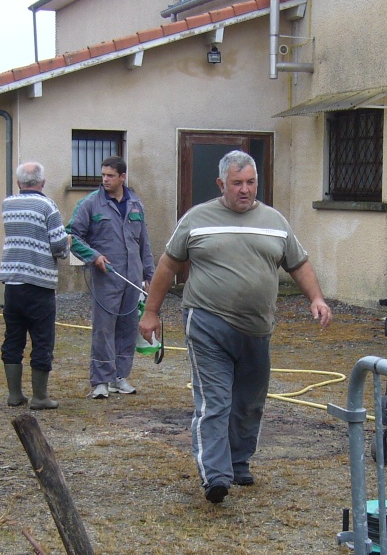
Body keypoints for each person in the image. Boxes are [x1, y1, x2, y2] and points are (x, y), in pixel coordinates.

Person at [140, 150, 331, 504]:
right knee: (215, 402)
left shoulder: (274, 221)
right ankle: (215, 475)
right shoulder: (197, 219)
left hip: (257, 328)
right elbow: (167, 266)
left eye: (251, 182)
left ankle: (238, 460)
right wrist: (151, 313)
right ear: (221, 184)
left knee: (249, 401)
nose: (245, 190)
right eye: (237, 183)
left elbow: (298, 264)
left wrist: (316, 299)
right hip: (207, 322)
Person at [68, 156, 156, 399]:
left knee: (127, 327)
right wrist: (94, 256)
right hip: (107, 276)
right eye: (103, 175)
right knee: (104, 329)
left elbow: (144, 243)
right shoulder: (90, 204)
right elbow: (72, 236)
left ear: (122, 177)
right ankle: (100, 381)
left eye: (110, 175)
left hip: (132, 276)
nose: (105, 179)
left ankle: (119, 377)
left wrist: (151, 275)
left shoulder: (135, 204)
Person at [0, 161, 69, 409]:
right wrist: (66, 246)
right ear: (42, 182)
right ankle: (40, 397)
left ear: (19, 183)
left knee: (13, 338)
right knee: (42, 340)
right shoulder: (47, 206)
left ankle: (14, 395)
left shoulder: (7, 204)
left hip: (12, 282)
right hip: (39, 283)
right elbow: (59, 245)